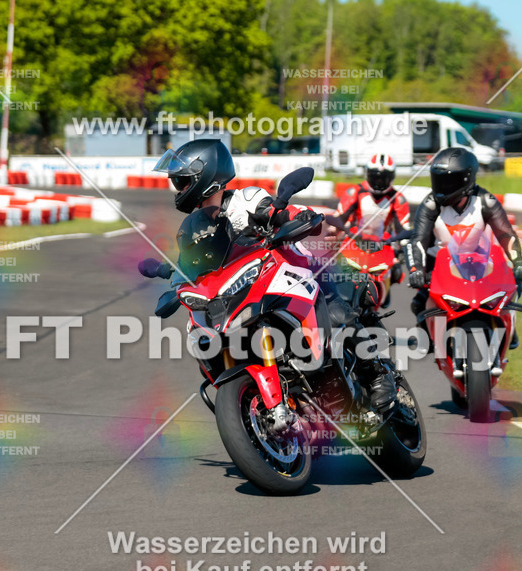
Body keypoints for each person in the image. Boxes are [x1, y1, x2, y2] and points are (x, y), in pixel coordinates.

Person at [153, 139, 397, 413]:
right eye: (178, 183)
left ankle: (379, 376)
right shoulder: (192, 228)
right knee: (204, 340)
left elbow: (274, 211)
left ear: (206, 176)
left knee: (338, 313)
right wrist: (172, 272)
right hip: (239, 292)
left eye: (183, 181)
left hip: (290, 272)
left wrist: (292, 215)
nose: (180, 189)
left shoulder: (245, 200)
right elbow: (191, 266)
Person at [402, 147, 522, 348]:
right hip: (438, 264)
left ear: (467, 180)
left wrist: (520, 262)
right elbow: (417, 240)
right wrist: (415, 269)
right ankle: (429, 334)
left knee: (511, 287)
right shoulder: (430, 204)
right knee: (419, 301)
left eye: (448, 181)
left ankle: (508, 328)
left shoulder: (485, 201)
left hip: (479, 260)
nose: (441, 187)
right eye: (438, 180)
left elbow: (507, 235)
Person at [331, 154, 411, 238]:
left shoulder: (398, 199)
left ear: (391, 178)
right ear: (368, 175)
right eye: (375, 178)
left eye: (383, 179)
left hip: (384, 245)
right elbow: (337, 221)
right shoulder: (355, 192)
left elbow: (403, 230)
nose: (378, 182)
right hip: (354, 242)